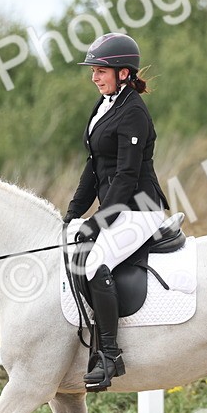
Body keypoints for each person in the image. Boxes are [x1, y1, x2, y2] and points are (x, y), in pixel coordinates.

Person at [63, 32, 169, 392]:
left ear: (124, 73)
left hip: (140, 208)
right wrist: (73, 213)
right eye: (93, 70)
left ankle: (109, 354)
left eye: (101, 70)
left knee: (94, 264)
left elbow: (125, 176)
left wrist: (99, 221)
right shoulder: (104, 106)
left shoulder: (134, 112)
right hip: (117, 207)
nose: (94, 76)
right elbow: (94, 167)